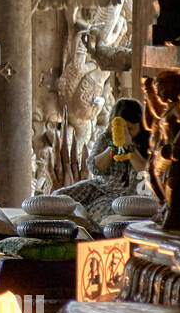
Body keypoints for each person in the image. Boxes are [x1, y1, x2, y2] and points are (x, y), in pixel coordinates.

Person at [54, 97, 150, 229]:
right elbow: (95, 168)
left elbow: (146, 173)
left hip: (129, 196)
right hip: (101, 187)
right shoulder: (106, 138)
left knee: (104, 214)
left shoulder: (148, 143)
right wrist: (113, 147)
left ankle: (89, 230)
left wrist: (130, 148)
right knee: (58, 198)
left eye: (130, 128)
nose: (126, 132)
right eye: (123, 127)